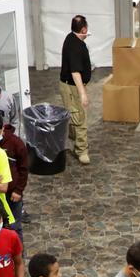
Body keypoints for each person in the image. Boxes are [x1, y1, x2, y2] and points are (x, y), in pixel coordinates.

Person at [0, 111, 31, 227]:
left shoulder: (16, 143)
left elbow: (24, 168)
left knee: (14, 225)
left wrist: (18, 190)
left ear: (3, 128)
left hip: (11, 193)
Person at [60, 15, 92, 165]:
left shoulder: (70, 38)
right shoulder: (76, 47)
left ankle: (72, 142)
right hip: (72, 87)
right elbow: (75, 72)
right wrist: (83, 93)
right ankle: (81, 151)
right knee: (79, 118)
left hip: (69, 86)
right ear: (84, 29)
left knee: (73, 115)